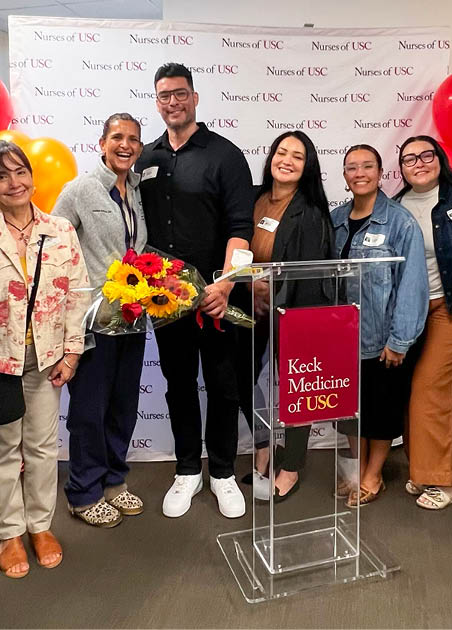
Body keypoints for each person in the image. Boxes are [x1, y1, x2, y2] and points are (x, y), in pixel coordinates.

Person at [136, 62, 254, 519]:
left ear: (195, 97)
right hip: (165, 299)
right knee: (179, 384)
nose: (173, 102)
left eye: (180, 93)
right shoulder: (146, 157)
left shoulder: (226, 155)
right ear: (157, 102)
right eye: (164, 95)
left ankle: (222, 471)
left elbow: (241, 228)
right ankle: (187, 469)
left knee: (223, 385)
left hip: (217, 297)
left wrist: (225, 285)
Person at [0, 141, 89, 578]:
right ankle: (9, 533)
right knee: (3, 451)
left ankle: (40, 526)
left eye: (20, 172)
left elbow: (77, 293)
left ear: (32, 177)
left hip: (47, 358)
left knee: (42, 448)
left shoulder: (60, 230)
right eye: (1, 176)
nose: (14, 182)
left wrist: (73, 351)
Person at [52, 113, 149, 527]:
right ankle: (83, 492)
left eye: (133, 139)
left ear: (140, 147)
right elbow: (53, 248)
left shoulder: (138, 191)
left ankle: (113, 480)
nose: (125, 145)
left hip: (133, 319)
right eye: (117, 137)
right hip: (92, 321)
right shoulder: (80, 190)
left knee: (123, 406)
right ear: (102, 143)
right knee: (89, 410)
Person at [235, 130, 335, 502]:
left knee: (297, 388)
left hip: (293, 313)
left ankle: (290, 466)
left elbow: (308, 276)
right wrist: (251, 287)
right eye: (282, 152)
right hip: (248, 307)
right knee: (243, 377)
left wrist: (271, 292)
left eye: (297, 155)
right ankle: (263, 448)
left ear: (307, 166)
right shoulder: (253, 198)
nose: (287, 160)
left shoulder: (309, 212)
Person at [331, 144, 429, 508]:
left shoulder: (401, 223)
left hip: (382, 337)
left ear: (380, 173)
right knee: (349, 409)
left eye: (367, 166)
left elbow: (412, 284)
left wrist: (400, 340)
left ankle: (373, 475)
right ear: (344, 176)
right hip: (342, 338)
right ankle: (357, 470)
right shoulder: (335, 220)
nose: (359, 173)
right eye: (352, 167)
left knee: (381, 410)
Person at [393, 135, 452, 510]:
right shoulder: (395, 206)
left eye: (427, 155)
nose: (419, 163)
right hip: (410, 312)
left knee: (434, 389)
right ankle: (424, 470)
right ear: (401, 168)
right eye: (409, 159)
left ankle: (447, 481)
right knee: (414, 391)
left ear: (440, 158)